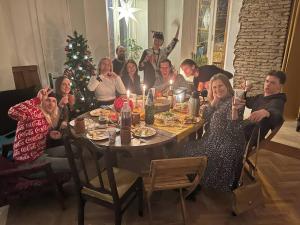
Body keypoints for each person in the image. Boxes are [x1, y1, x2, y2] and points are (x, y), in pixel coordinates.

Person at [183, 74, 245, 192]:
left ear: (227, 85)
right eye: (214, 87)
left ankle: (193, 183)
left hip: (226, 144)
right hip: (212, 139)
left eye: (220, 86)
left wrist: (234, 111)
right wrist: (214, 100)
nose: (217, 90)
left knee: (186, 150)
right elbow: (205, 117)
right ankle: (191, 180)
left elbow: (234, 131)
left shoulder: (235, 102)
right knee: (186, 146)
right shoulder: (220, 100)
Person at [8, 88, 69, 172]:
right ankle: (72, 182)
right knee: (74, 163)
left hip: (40, 153)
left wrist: (49, 134)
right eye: (48, 100)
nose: (51, 104)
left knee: (73, 149)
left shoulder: (48, 116)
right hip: (27, 162)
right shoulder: (32, 112)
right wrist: (37, 99)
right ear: (42, 101)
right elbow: (12, 111)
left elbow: (37, 135)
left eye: (54, 101)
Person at [244, 70, 287, 140]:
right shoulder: (261, 97)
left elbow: (277, 115)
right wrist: (246, 90)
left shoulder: (278, 101)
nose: (268, 84)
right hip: (246, 129)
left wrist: (267, 113)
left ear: (280, 86)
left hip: (248, 138)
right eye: (267, 81)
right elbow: (247, 102)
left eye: (272, 83)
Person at [139, 23, 180, 89]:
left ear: (162, 42)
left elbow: (173, 44)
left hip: (160, 82)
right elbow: (140, 67)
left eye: (159, 41)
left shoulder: (164, 52)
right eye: (155, 40)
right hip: (149, 81)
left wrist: (178, 29)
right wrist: (146, 60)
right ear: (153, 40)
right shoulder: (147, 52)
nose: (157, 42)